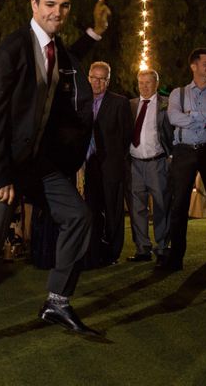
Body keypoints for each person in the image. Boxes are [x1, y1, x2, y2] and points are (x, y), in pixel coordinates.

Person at [0, 0, 111, 360]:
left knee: (78, 216)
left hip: (36, 161)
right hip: (0, 164)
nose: (57, 12)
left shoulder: (55, 48)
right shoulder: (13, 48)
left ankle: (56, 300)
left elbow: (72, 57)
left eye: (64, 5)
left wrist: (97, 31)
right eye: (50, 4)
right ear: (34, 5)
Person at [165, 48, 206, 271]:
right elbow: (173, 117)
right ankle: (175, 258)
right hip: (183, 153)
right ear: (194, 66)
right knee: (178, 207)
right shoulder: (178, 93)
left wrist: (191, 118)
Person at [83, 61, 133, 267]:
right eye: (93, 77)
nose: (96, 82)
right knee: (92, 210)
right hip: (89, 166)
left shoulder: (119, 102)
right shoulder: (82, 102)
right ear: (88, 78)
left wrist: (114, 158)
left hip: (111, 165)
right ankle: (95, 251)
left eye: (101, 79)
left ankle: (112, 253)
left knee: (113, 211)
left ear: (108, 81)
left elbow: (126, 135)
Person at [127, 69, 173, 265]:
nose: (144, 87)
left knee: (162, 206)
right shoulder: (130, 105)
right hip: (135, 163)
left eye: (148, 83)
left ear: (156, 83)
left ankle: (162, 248)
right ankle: (142, 249)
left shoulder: (166, 104)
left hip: (158, 162)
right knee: (137, 208)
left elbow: (172, 131)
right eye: (141, 83)